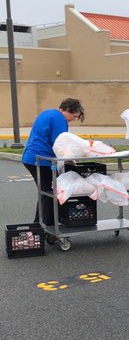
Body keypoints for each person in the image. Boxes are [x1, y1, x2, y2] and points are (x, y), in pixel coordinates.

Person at [21, 99, 86, 238]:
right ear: (67, 110)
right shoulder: (59, 119)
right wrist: (71, 160)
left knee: (46, 192)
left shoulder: (48, 113)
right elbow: (60, 144)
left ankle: (40, 226)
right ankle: (46, 228)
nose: (73, 120)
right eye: (74, 116)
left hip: (31, 157)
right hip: (42, 160)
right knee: (50, 193)